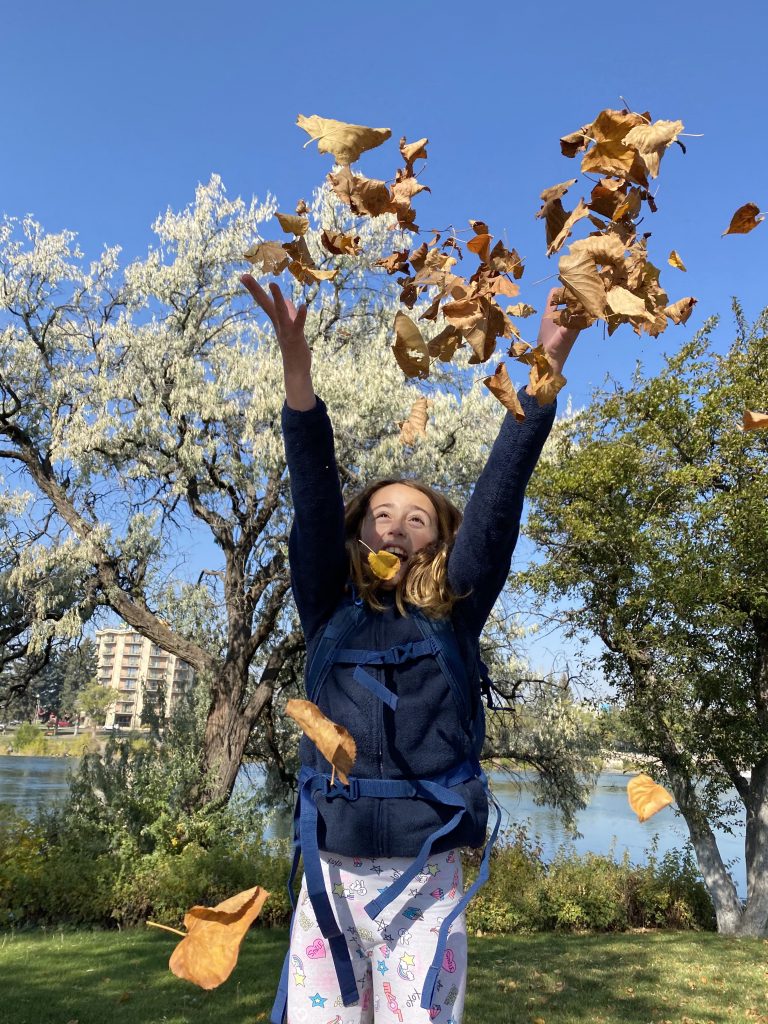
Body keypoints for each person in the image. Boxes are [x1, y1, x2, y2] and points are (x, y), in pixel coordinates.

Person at [241, 274, 578, 1024]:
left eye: (417, 517)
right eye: (382, 512)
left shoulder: (454, 612)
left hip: (428, 881)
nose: (396, 524)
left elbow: (499, 496)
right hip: (329, 874)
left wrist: (546, 366)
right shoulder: (326, 603)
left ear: (441, 541)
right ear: (360, 530)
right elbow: (312, 496)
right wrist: (297, 370)